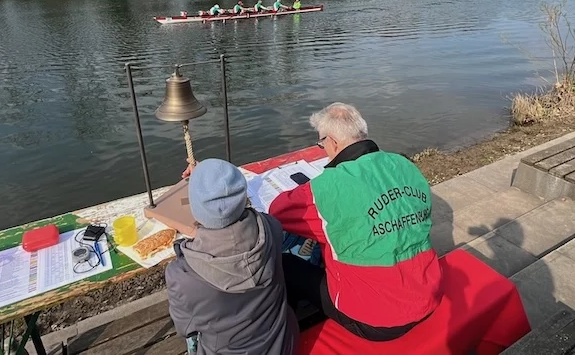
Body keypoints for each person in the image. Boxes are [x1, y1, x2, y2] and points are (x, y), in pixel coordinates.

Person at [269, 102, 442, 342]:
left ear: (332, 142)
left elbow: (277, 210)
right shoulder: (404, 164)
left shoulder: (330, 187)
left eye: (321, 144)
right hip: (428, 293)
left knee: (286, 263)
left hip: (376, 321)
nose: (323, 149)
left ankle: (289, 328)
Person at [167, 159, 299, 355]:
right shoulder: (271, 227)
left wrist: (202, 183)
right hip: (283, 346)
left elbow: (185, 328)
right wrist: (208, 177)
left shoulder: (181, 275)